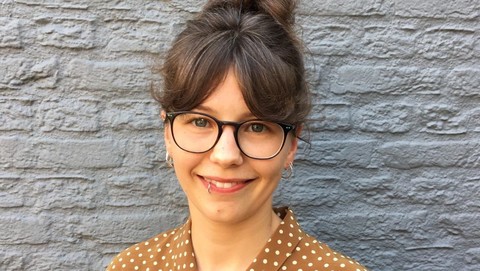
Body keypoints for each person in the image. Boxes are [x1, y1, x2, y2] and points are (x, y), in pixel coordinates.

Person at [106, 0, 368, 270]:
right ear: (168, 134)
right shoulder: (129, 266)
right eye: (200, 122)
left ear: (291, 144)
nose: (226, 155)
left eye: (257, 127)